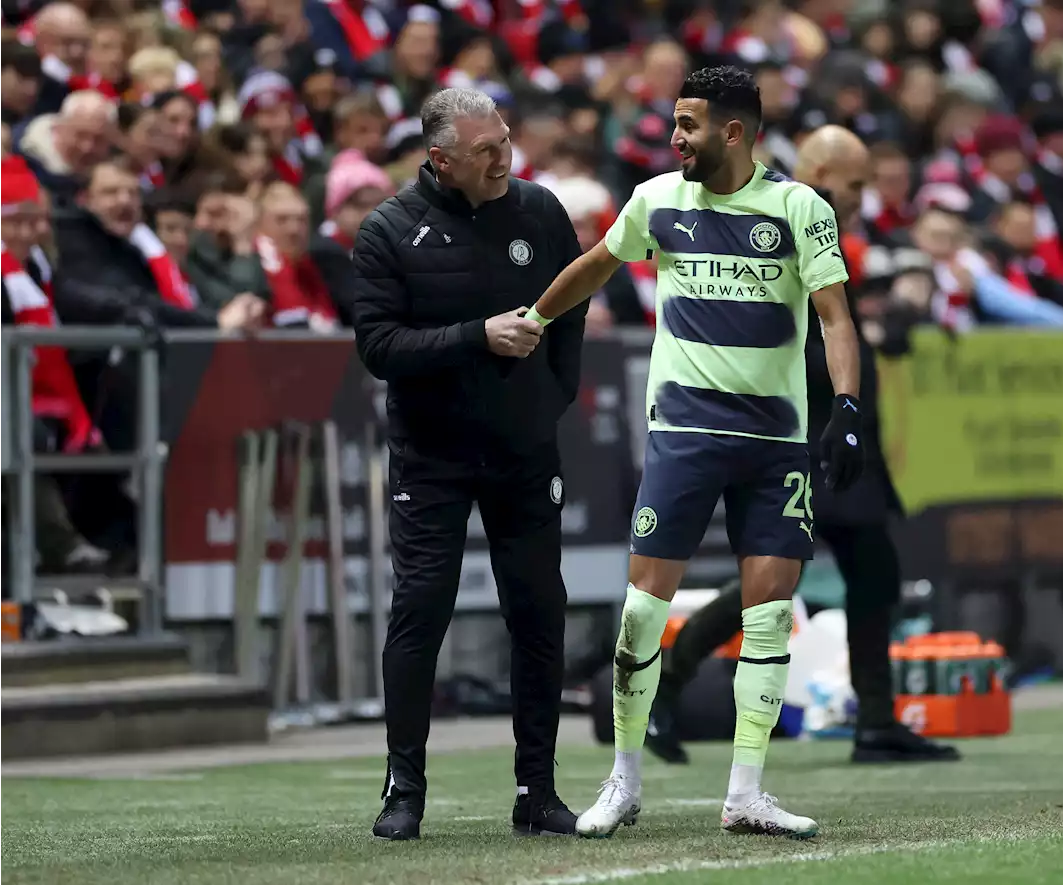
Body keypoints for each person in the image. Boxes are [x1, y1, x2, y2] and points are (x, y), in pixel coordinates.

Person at [526, 66, 863, 840]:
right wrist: (535, 317)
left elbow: (833, 318)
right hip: (683, 435)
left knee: (770, 616)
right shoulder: (656, 201)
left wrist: (846, 407)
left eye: (688, 125)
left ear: (734, 132)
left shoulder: (797, 207)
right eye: (673, 124)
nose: (673, 138)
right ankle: (623, 780)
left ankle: (746, 791)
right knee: (643, 614)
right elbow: (600, 264)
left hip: (776, 441)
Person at [643, 126, 960, 767]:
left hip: (833, 420)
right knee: (774, 578)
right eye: (857, 182)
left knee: (868, 572)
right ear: (820, 168)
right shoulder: (779, 214)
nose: (865, 196)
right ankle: (665, 684)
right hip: (795, 423)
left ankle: (875, 720)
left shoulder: (818, 224)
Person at [350, 87, 588, 841]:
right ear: (440, 158)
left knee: (539, 609)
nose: (503, 158)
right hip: (434, 453)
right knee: (421, 609)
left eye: (506, 141)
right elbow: (379, 347)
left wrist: (553, 399)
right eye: (485, 151)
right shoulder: (388, 230)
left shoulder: (541, 212)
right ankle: (403, 789)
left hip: (524, 450)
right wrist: (475, 337)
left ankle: (538, 788)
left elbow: (573, 305)